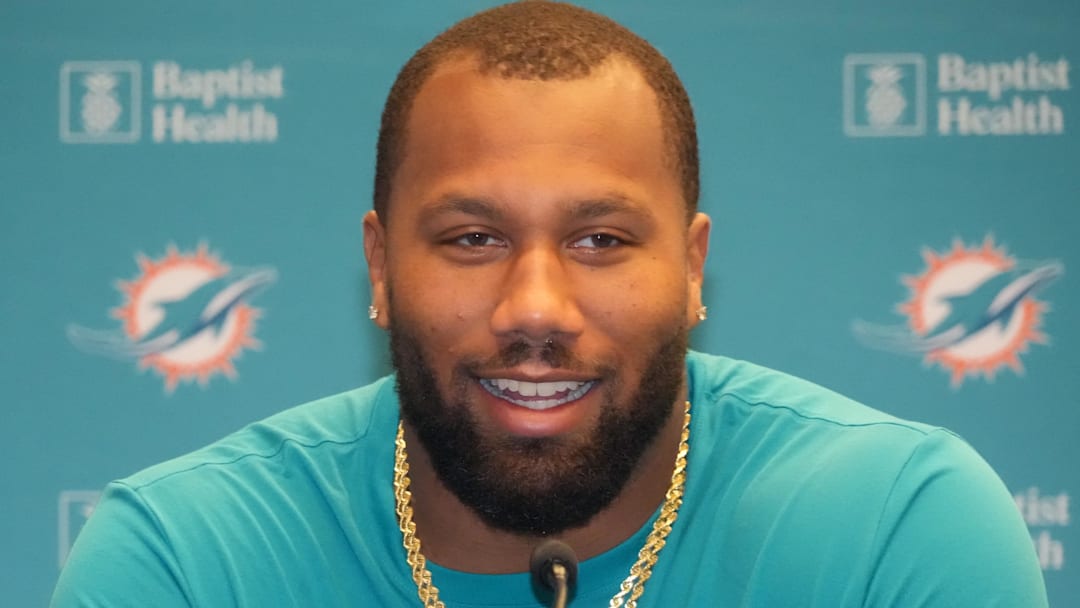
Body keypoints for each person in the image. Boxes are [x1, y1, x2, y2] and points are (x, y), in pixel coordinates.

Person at [52, 2, 1048, 606]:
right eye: (473, 238)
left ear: (695, 267)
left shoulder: (894, 530)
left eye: (601, 241)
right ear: (380, 264)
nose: (537, 307)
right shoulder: (186, 558)